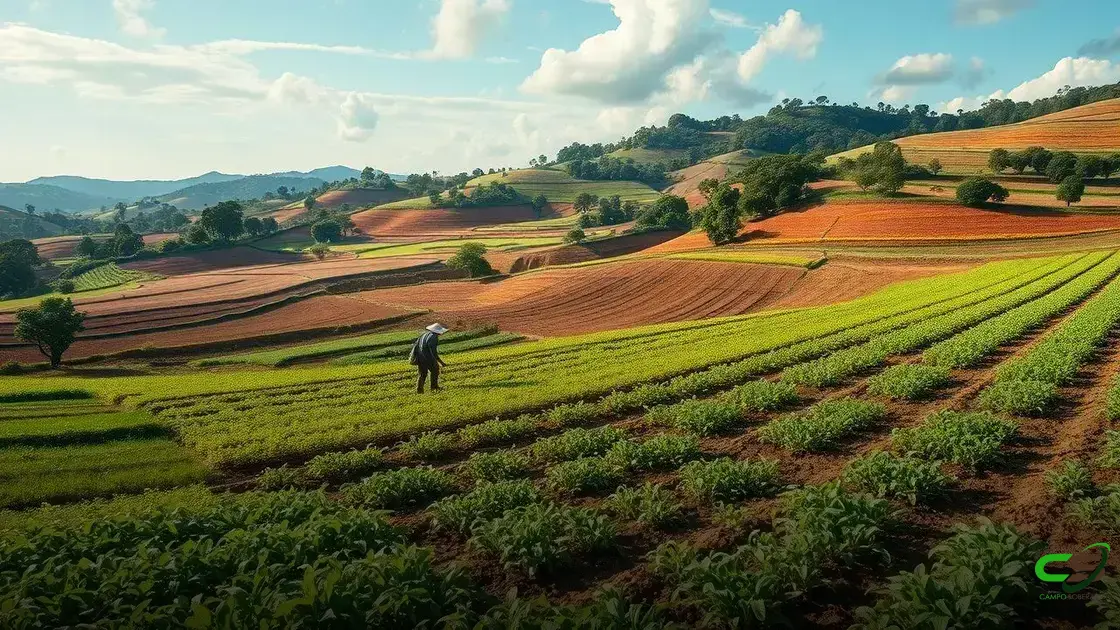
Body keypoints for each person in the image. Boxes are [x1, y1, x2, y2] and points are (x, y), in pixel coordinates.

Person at [410, 323, 448, 393]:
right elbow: (433, 352)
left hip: (420, 357)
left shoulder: (424, 334)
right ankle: (434, 387)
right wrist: (440, 362)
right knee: (435, 370)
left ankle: (419, 390)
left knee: (422, 373)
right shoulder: (434, 337)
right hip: (427, 357)